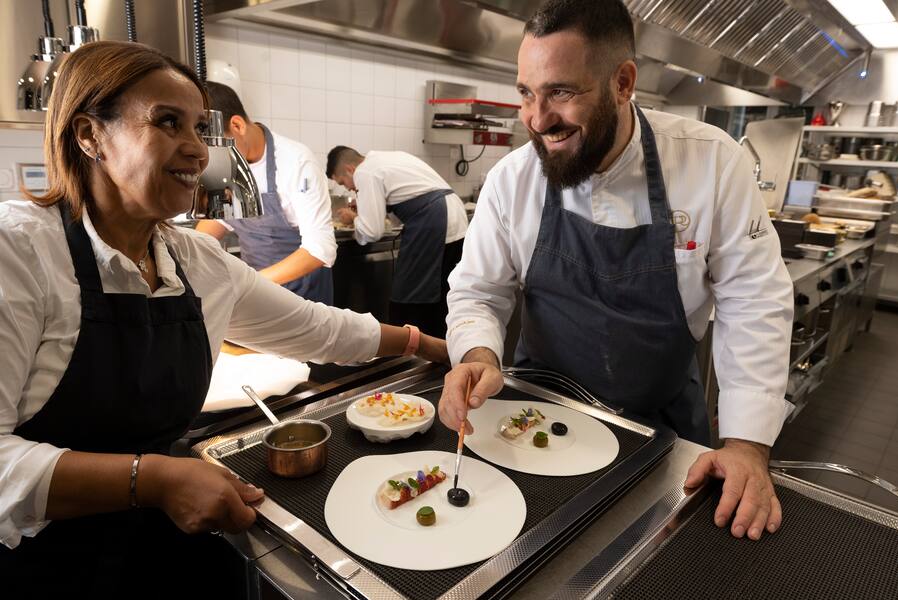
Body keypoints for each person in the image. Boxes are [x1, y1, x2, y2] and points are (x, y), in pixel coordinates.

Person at [0, 41, 447, 597]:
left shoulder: (195, 260)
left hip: (161, 538)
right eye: (167, 123)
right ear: (90, 135)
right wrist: (153, 479)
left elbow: (318, 327)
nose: (195, 152)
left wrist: (428, 346)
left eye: (198, 129)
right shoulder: (18, 252)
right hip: (44, 559)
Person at [438, 0, 794, 542]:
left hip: (661, 427)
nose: (537, 120)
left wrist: (746, 444)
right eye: (526, 94)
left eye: (560, 91)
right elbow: (478, 289)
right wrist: (479, 353)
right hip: (536, 417)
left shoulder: (710, 162)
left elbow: (755, 300)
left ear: (623, 83)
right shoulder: (512, 179)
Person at [195, 82, 336, 305]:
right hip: (256, 288)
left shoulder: (297, 162)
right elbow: (220, 218)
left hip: (301, 293)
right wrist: (188, 253)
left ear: (237, 126)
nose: (210, 159)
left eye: (213, 149)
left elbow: (320, 249)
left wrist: (249, 284)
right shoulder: (224, 165)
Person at [326, 147, 467, 337]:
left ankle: (409, 352)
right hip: (452, 219)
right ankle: (440, 353)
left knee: (410, 297)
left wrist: (352, 219)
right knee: (440, 296)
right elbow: (408, 198)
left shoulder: (365, 172)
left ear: (350, 169)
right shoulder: (386, 158)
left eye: (343, 182)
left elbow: (371, 232)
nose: (348, 188)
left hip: (434, 222)